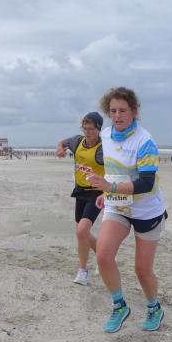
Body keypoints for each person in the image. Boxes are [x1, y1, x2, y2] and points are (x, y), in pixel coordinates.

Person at [86, 87, 166, 333]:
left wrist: (110, 187)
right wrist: (107, 193)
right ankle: (119, 305)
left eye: (122, 110)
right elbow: (114, 170)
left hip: (147, 211)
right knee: (103, 255)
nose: (117, 116)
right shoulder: (106, 135)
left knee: (142, 270)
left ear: (134, 111)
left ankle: (154, 308)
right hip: (118, 205)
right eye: (112, 111)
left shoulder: (145, 141)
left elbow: (146, 183)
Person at [56, 111, 105, 286]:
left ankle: (83, 272)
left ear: (99, 129)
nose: (87, 132)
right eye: (85, 128)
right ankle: (103, 256)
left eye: (91, 129)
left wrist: (109, 190)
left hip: (97, 192)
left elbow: (117, 167)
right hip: (80, 191)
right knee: (81, 232)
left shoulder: (104, 149)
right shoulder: (77, 141)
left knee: (82, 231)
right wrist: (60, 149)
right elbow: (62, 142)